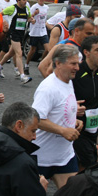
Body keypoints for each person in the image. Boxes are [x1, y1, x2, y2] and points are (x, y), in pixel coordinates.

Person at [32, 44, 83, 188]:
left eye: (77, 63)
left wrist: (74, 120)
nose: (77, 68)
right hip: (42, 156)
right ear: (58, 63)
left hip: (64, 156)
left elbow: (59, 109)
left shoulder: (68, 81)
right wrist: (63, 131)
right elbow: (36, 119)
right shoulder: (48, 88)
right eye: (73, 64)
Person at [72, 36, 98, 170]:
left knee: (90, 164)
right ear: (86, 52)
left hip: (95, 129)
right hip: (78, 129)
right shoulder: (75, 74)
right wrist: (74, 108)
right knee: (90, 164)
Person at [0, 0, 33, 84]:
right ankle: (22, 75)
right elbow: (0, 14)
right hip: (13, 33)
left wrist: (32, 20)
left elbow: (29, 18)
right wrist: (3, 24)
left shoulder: (26, 9)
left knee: (11, 53)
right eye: (24, 0)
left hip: (21, 34)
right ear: (18, 0)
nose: (26, 1)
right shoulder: (12, 8)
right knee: (19, 53)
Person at [25, 0, 49, 70]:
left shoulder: (46, 7)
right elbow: (28, 18)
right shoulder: (34, 7)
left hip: (43, 31)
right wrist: (34, 15)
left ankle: (41, 62)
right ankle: (26, 64)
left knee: (48, 49)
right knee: (33, 50)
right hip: (35, 31)